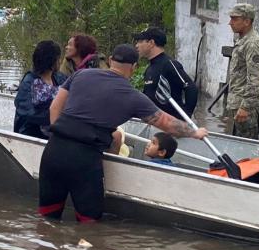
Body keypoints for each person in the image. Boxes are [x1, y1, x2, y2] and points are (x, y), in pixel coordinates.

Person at [39, 44, 208, 222]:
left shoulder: (80, 75)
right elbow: (167, 124)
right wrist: (195, 132)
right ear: (134, 68)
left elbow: (54, 107)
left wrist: (57, 137)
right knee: (88, 225)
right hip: (84, 160)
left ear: (111, 60)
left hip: (53, 151)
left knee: (47, 218)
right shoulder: (133, 97)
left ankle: (46, 248)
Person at [134, 26, 198, 119]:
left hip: (172, 123)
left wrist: (186, 116)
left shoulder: (169, 64)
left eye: (140, 41)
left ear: (151, 43)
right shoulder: (149, 69)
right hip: (156, 123)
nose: (136, 45)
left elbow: (191, 88)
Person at [225, 3, 259, 140]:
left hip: (247, 106)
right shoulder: (243, 40)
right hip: (239, 103)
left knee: (247, 149)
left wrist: (246, 107)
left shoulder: (252, 44)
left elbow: (255, 80)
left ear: (247, 21)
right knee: (239, 146)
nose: (230, 23)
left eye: (234, 19)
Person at [14, 40, 68, 139]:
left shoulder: (60, 78)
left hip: (54, 133)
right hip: (30, 134)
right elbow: (26, 111)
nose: (60, 62)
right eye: (58, 58)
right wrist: (58, 116)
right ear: (52, 61)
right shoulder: (29, 81)